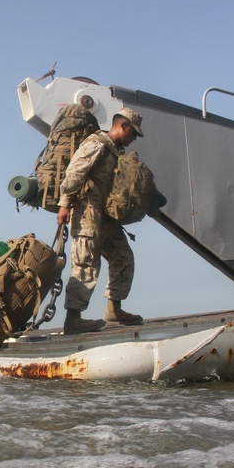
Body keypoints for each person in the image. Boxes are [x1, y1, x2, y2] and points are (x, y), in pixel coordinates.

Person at [56, 107, 145, 334]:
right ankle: (73, 319)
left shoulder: (115, 151)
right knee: (85, 264)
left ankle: (114, 310)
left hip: (106, 216)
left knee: (123, 257)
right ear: (123, 125)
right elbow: (75, 172)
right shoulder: (96, 144)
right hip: (87, 212)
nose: (133, 138)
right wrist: (64, 204)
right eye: (133, 133)